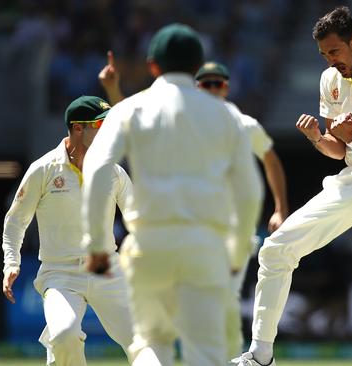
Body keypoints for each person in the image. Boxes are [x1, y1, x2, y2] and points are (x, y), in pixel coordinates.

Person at [232, 6, 352, 366]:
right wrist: (317, 138)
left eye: (334, 52)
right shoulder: (330, 80)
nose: (330, 61)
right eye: (323, 55)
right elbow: (337, 150)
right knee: (275, 250)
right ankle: (260, 355)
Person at [82, 23, 263, 366]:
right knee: (205, 353)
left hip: (148, 247)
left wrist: (96, 246)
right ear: (198, 67)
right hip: (205, 248)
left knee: (151, 344)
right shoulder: (226, 115)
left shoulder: (130, 109)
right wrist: (237, 252)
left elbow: (96, 169)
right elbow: (249, 191)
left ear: (153, 66)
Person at [1, 96, 135, 366]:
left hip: (107, 268)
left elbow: (138, 218)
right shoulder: (43, 169)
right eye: (101, 125)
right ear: (77, 127)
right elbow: (16, 221)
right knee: (63, 336)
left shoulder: (114, 172)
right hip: (59, 273)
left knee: (142, 340)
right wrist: (12, 262)